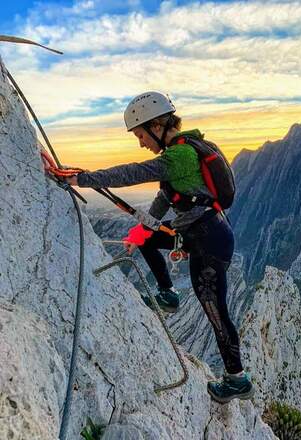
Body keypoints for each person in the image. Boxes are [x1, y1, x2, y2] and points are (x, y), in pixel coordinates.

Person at [65, 91, 254, 404]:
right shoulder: (184, 152)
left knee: (214, 308)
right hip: (203, 233)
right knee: (147, 240)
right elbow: (165, 198)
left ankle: (237, 378)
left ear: (156, 125)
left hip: (209, 240)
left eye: (140, 134)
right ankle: (167, 294)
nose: (141, 142)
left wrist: (82, 178)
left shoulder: (177, 156)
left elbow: (134, 172)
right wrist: (141, 231)